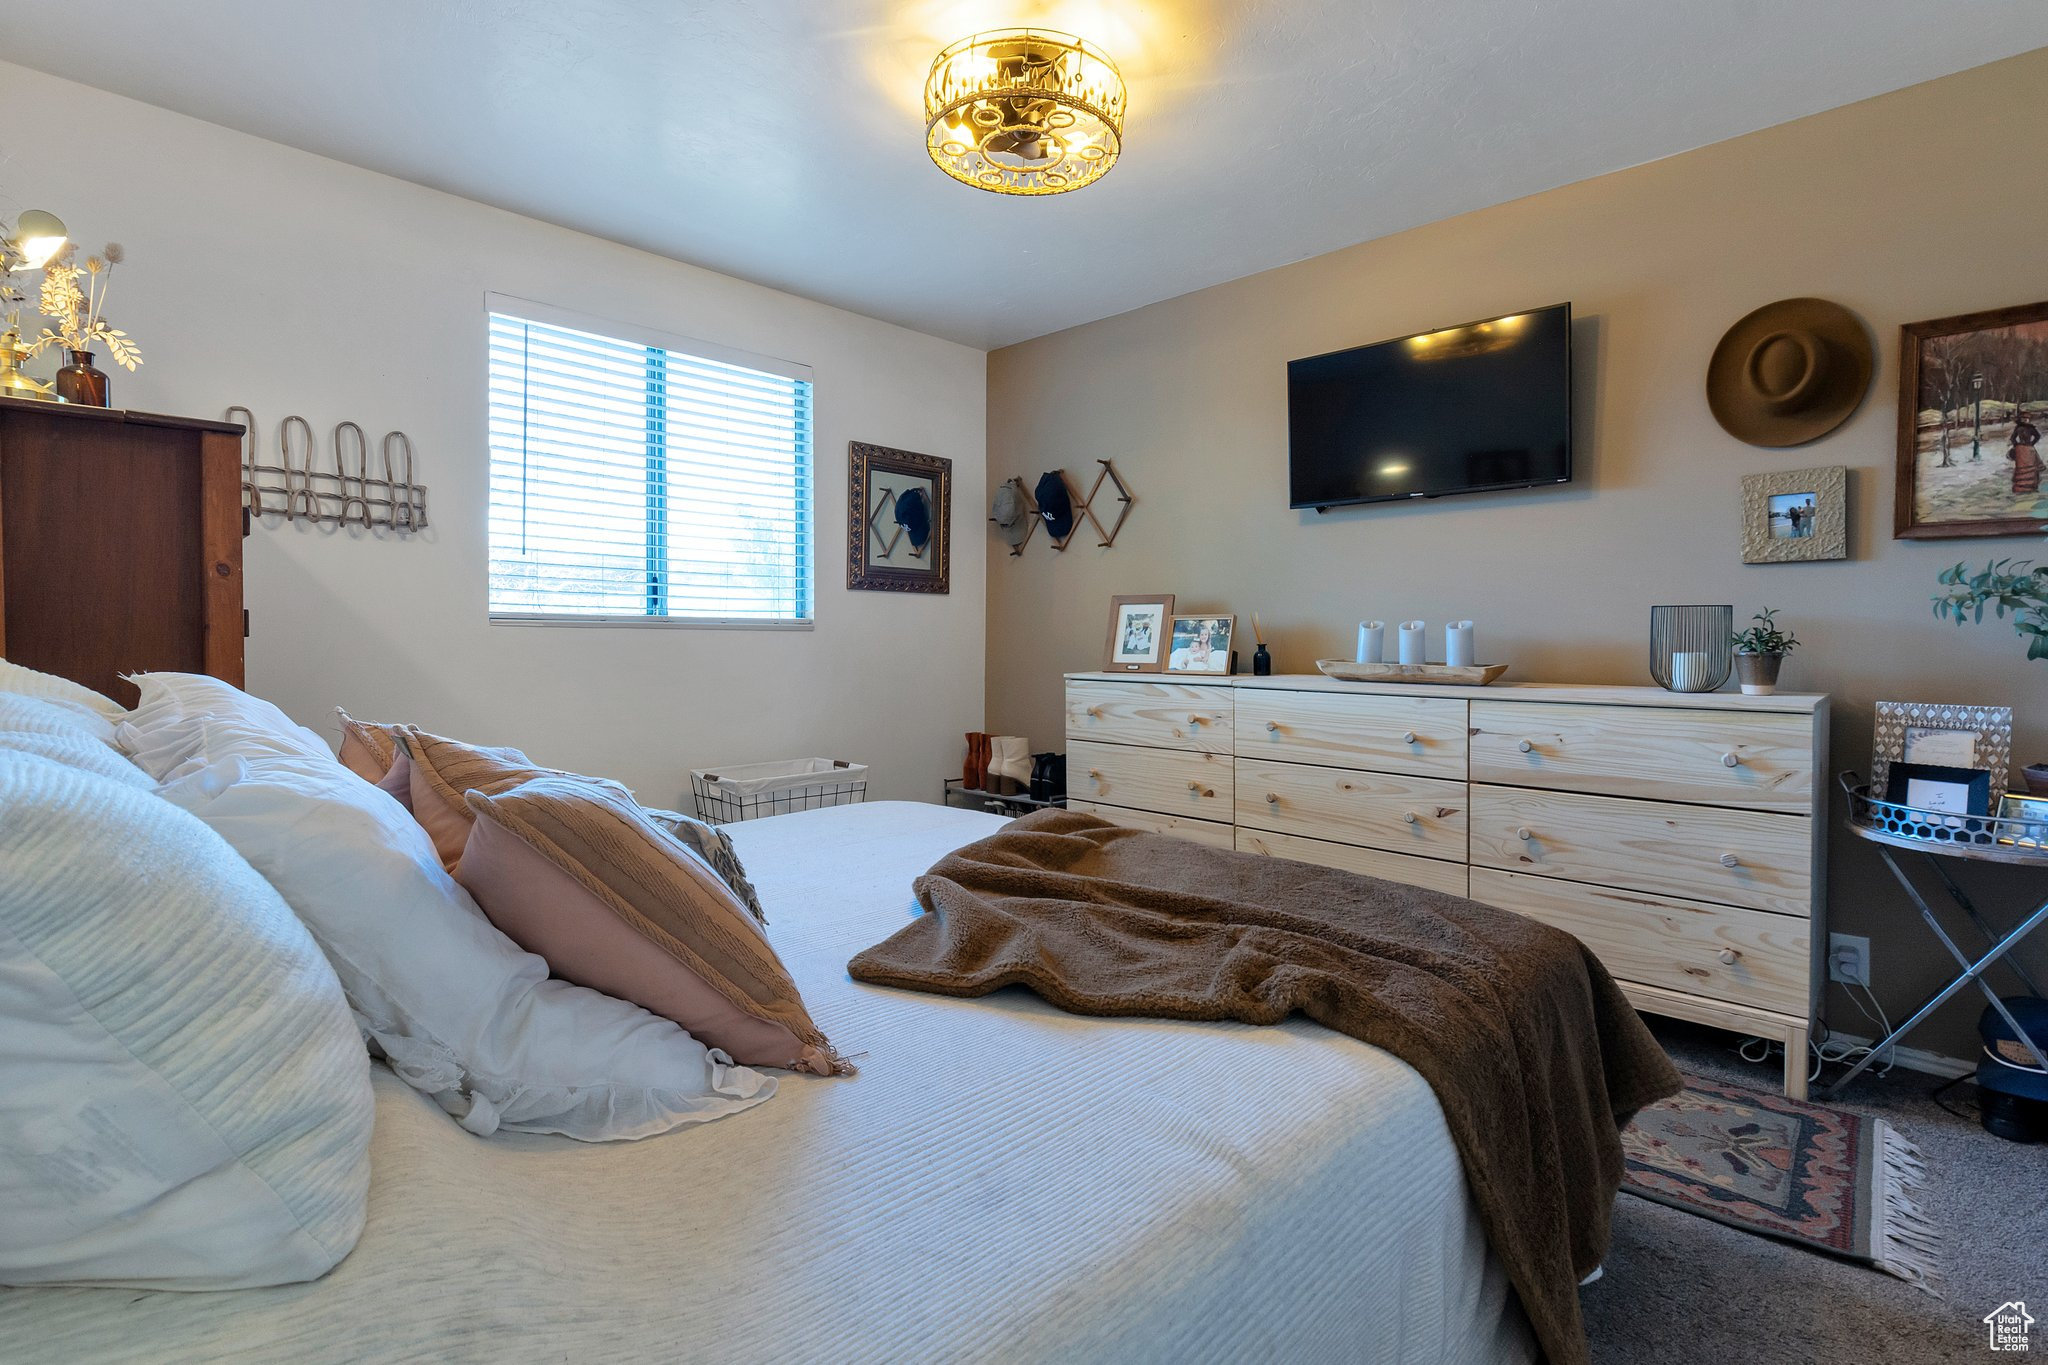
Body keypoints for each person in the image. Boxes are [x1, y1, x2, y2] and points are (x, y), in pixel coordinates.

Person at [2011, 410, 2044, 497]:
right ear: (2021, 419)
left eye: (2027, 418)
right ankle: (2021, 487)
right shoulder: (2018, 428)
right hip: (2021, 450)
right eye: (2023, 418)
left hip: (2029, 450)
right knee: (2022, 468)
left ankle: (2031, 486)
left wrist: (2031, 444)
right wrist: (2017, 446)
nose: (2025, 420)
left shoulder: (2031, 428)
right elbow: (2012, 438)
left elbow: (2037, 436)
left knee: (2031, 467)